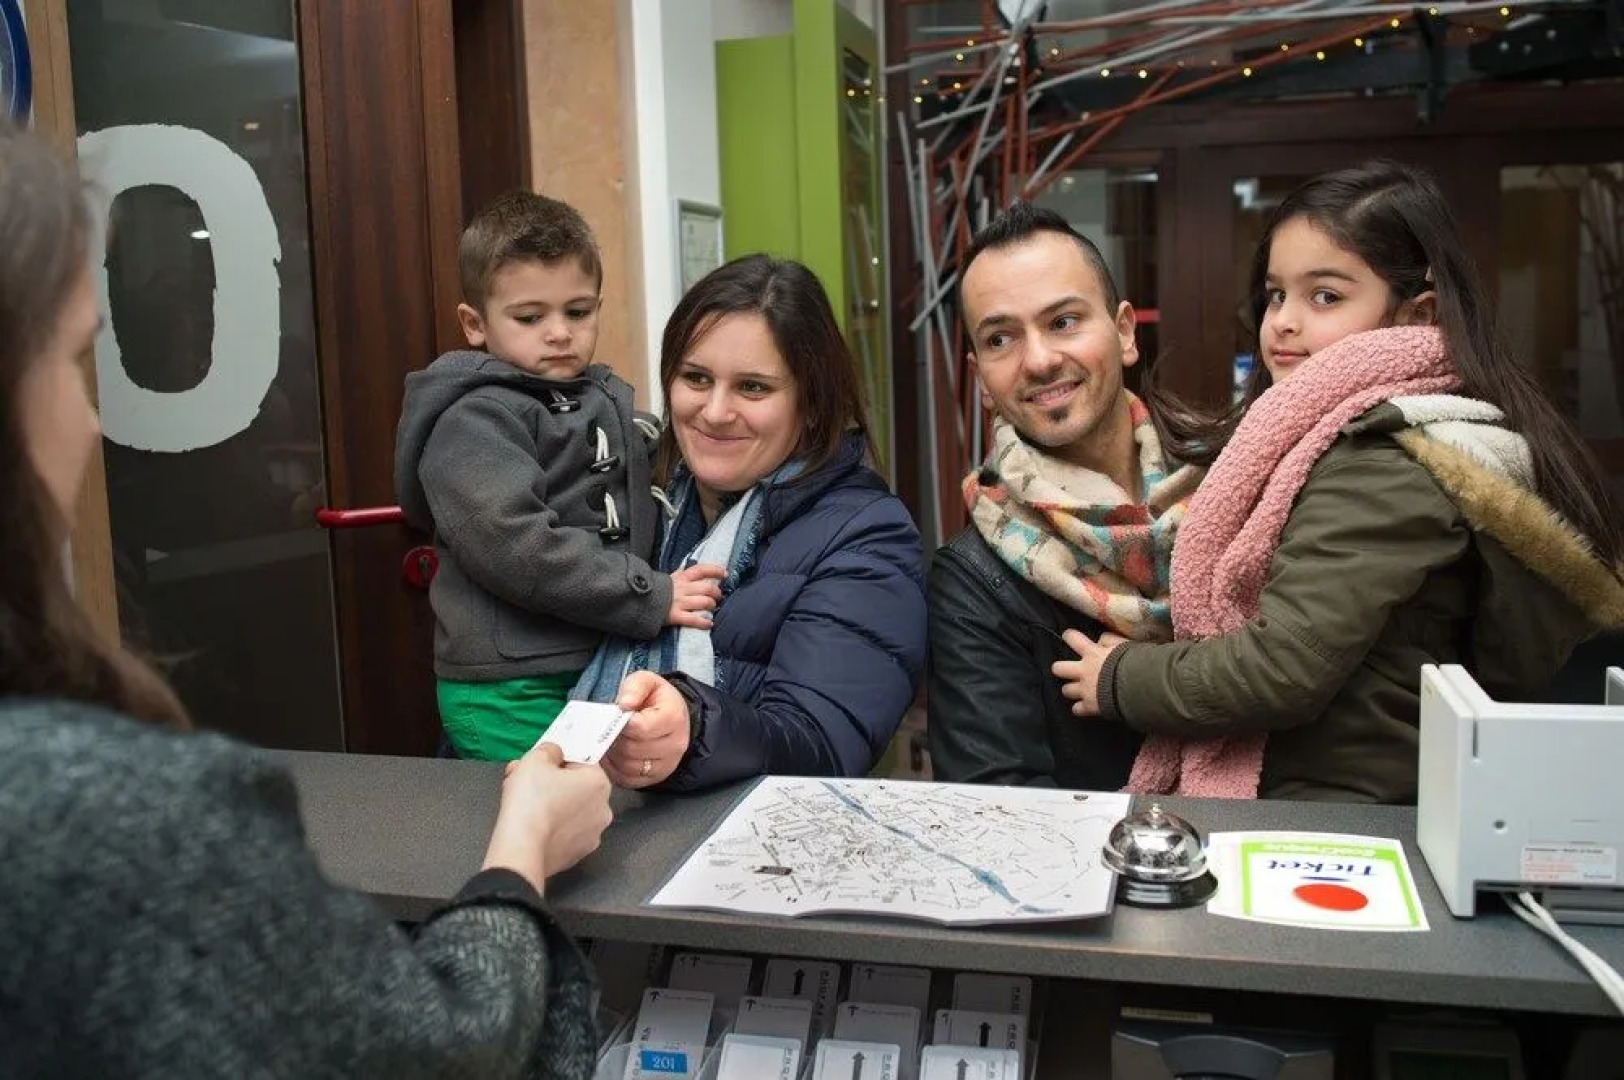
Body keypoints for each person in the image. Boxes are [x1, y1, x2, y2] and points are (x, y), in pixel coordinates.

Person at [0, 121, 613, 1077]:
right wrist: (523, 852)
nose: (89, 418)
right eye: (70, 362)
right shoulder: (127, 817)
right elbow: (438, 1049)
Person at [1056, 160, 1624, 803]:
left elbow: (1282, 667)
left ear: (1417, 315)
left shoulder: (1386, 462)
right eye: (1276, 294)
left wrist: (1120, 678)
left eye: (1324, 295)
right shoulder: (1340, 437)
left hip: (1344, 817)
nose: (1284, 322)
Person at [572, 255, 928, 792]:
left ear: (810, 404)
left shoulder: (867, 535)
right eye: (696, 377)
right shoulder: (637, 497)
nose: (715, 411)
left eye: (753, 388)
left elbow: (824, 747)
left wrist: (693, 727)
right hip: (585, 824)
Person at [395, 191, 724, 761]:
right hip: (508, 686)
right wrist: (648, 594)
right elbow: (517, 545)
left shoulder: (592, 396)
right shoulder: (472, 420)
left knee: (595, 816)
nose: (559, 333)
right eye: (530, 317)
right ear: (475, 324)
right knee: (545, 818)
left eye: (578, 312)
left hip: (590, 659)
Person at [926, 203, 1203, 789]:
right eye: (1001, 338)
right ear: (980, 378)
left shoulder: (1232, 479)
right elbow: (997, 804)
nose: (1040, 359)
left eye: (1063, 322)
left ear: (1125, 331)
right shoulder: (974, 578)